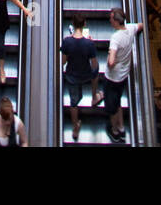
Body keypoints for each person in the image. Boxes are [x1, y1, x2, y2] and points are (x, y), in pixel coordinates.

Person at [104, 8, 144, 143]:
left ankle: (115, 131)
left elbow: (111, 62)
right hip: (123, 76)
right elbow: (140, 26)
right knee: (118, 100)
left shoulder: (115, 38)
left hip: (112, 78)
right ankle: (121, 127)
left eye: (111, 18)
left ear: (116, 21)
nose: (109, 20)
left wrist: (110, 54)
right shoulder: (130, 28)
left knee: (112, 107)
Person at [61, 14, 103, 142]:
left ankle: (75, 127)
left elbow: (63, 62)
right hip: (86, 75)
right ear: (84, 24)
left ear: (73, 25)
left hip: (72, 76)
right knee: (96, 72)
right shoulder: (89, 43)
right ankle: (94, 96)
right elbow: (94, 64)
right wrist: (90, 45)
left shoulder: (67, 41)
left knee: (73, 103)